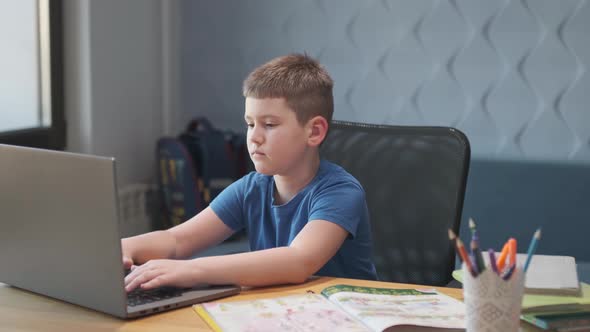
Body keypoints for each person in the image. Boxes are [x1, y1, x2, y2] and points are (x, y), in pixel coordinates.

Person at [123, 53, 377, 292]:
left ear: (314, 132)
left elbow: (299, 260)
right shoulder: (252, 188)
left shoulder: (340, 192)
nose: (254, 137)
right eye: (250, 124)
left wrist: (193, 269)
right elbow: (177, 241)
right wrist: (124, 248)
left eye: (269, 125)